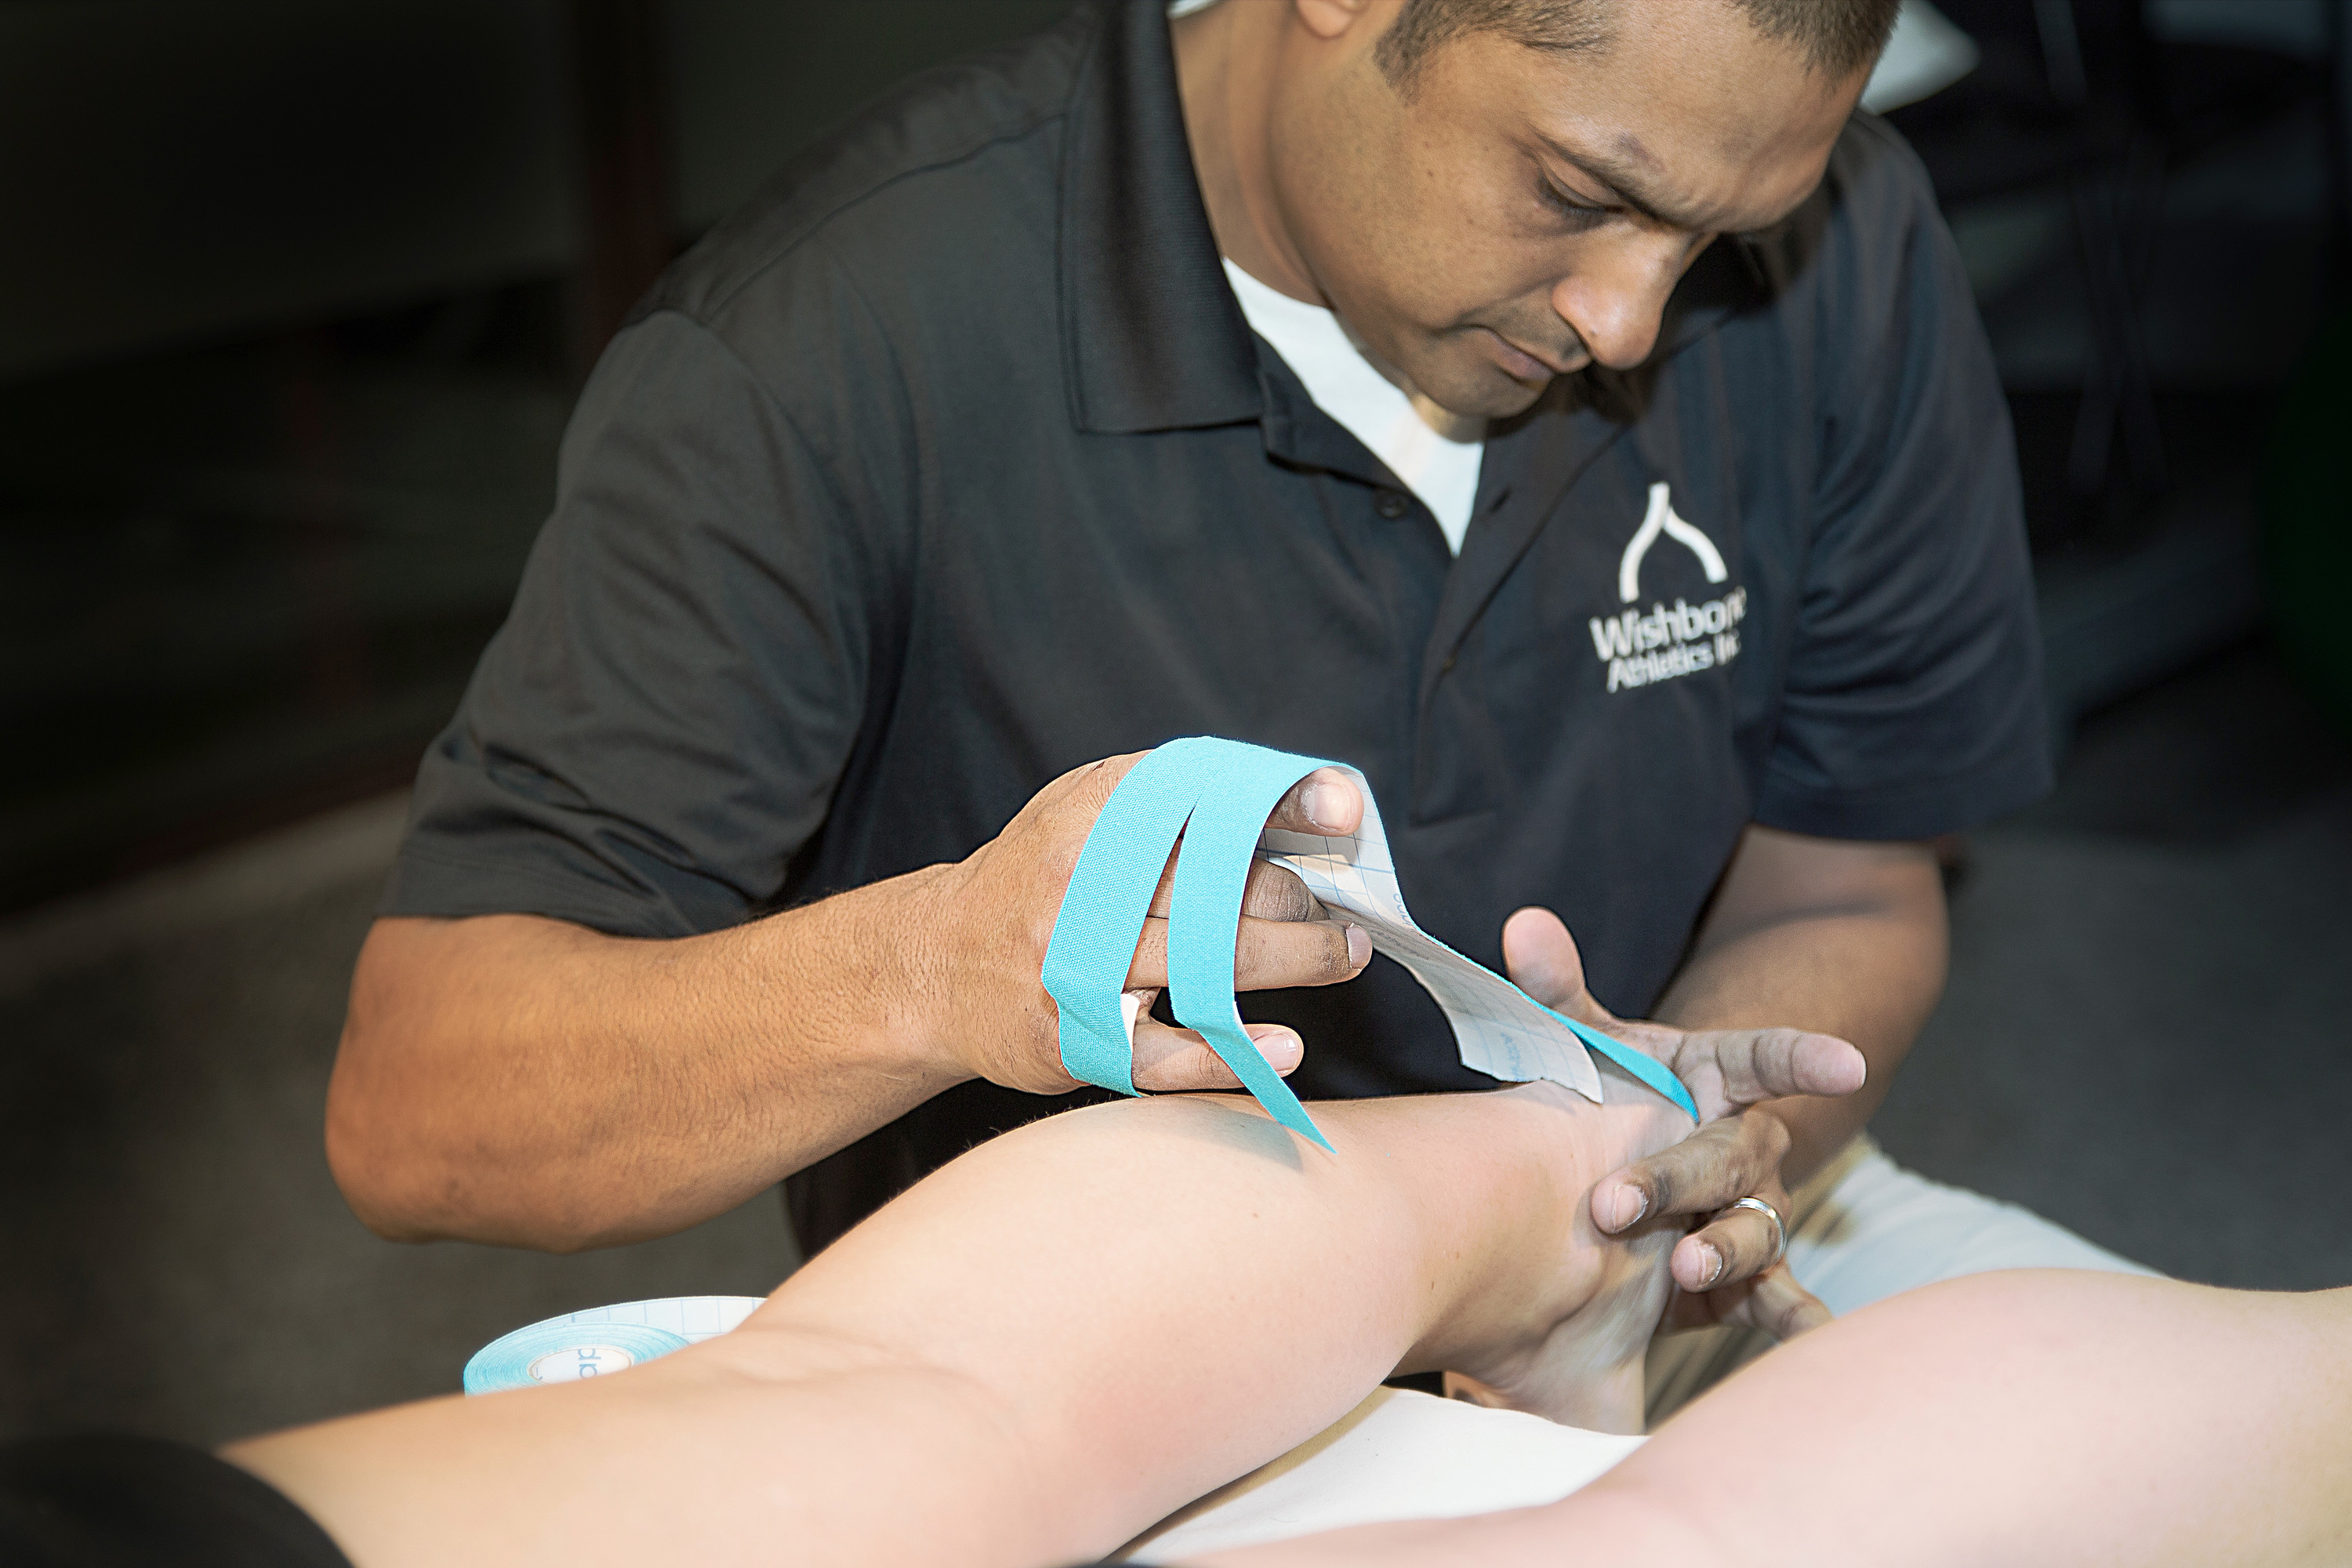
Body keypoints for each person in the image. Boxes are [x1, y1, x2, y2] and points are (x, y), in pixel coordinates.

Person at [328, 0, 2143, 1397]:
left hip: (1640, 1255)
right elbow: (423, 1102)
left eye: (1718, 237)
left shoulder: (1834, 238)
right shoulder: (827, 347)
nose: (1632, 324)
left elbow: (1851, 879)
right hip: (1095, 1366)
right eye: (1582, 195)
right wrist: (945, 962)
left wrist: (1695, 1153)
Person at [9, 1047, 2345, 1566]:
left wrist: (1558, 1177)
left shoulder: (1861, 285)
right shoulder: (852, 324)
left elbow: (917, 1386)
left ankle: (1540, 1188)